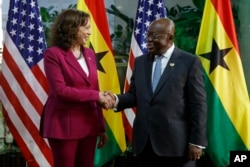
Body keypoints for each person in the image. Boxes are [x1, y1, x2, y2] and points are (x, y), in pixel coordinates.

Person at [105, 18, 207, 167]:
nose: (148, 40)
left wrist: (197, 142)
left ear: (170, 37)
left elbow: (198, 104)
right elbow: (134, 95)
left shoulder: (189, 62)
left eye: (154, 36)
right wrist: (115, 100)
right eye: (148, 35)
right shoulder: (140, 62)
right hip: (144, 144)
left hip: (176, 146)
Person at [39, 9, 113, 167]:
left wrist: (101, 127)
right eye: (86, 27)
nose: (89, 32)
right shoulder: (53, 54)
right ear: (71, 28)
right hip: (64, 124)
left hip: (89, 124)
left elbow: (95, 88)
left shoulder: (90, 54)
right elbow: (61, 91)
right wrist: (97, 96)